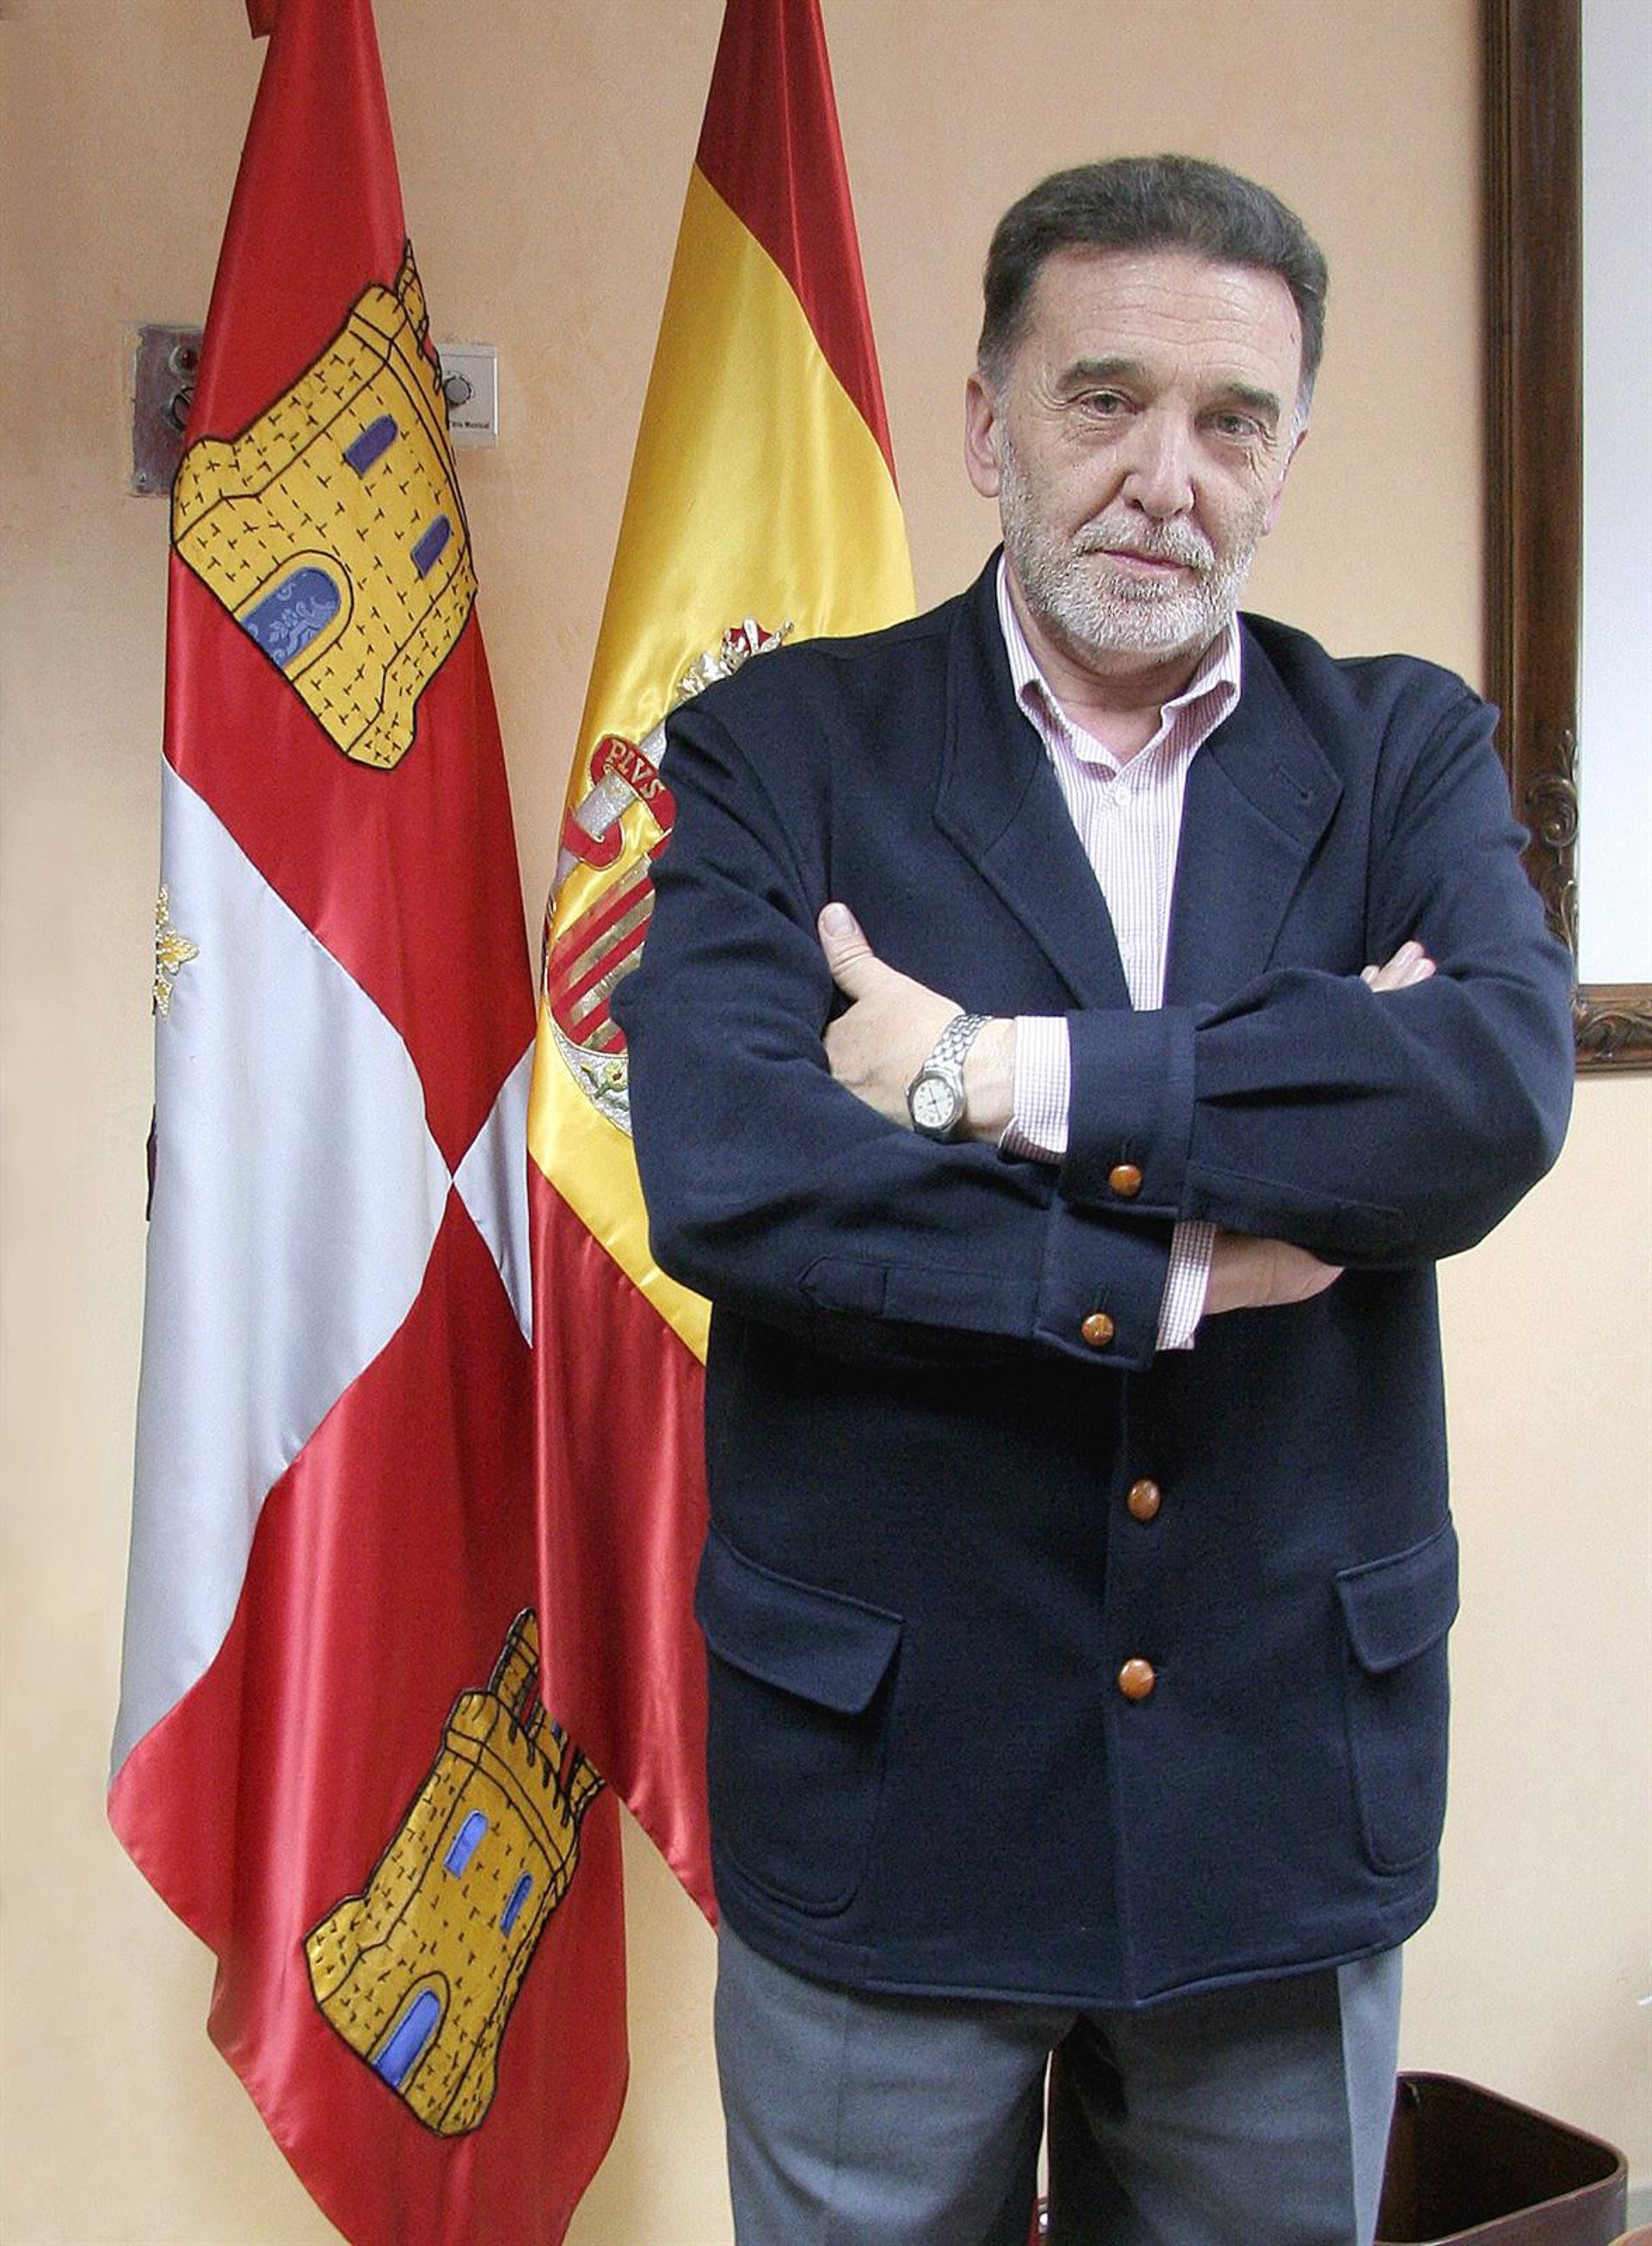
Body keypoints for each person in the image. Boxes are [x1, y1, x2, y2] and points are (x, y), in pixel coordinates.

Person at [613, 155, 1575, 2246]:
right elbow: (734, 1172)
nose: (1167, 476)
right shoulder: (783, 751)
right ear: (988, 425)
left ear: (1286, 460)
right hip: (893, 1793)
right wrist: (1186, 1265)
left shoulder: (1403, 754)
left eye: (1232, 421)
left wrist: (985, 1073)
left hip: (1277, 1802)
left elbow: (1488, 1094)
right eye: (1105, 398)